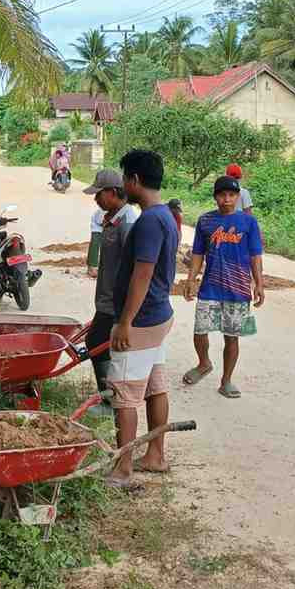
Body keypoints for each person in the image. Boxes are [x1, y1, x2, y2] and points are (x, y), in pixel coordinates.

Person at [105, 149, 179, 488]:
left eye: (124, 178)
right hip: (159, 315)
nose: (122, 185)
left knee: (125, 394)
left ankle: (123, 470)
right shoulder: (166, 215)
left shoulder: (149, 220)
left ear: (134, 180)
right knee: (154, 385)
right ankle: (155, 455)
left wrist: (125, 322)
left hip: (143, 320)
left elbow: (143, 275)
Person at [183, 175, 264, 399]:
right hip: (210, 287)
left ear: (238, 197)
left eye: (231, 195)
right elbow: (198, 253)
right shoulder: (205, 221)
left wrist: (259, 283)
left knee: (231, 336)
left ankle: (226, 380)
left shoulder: (249, 223)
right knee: (200, 330)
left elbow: (255, 255)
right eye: (222, 195)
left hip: (238, 291)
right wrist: (191, 280)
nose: (226, 199)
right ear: (216, 197)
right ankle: (204, 363)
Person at [82, 169, 138, 390]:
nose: (96, 199)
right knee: (99, 343)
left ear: (113, 192)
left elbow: (134, 267)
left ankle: (108, 397)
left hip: (116, 301)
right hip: (106, 299)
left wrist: (126, 312)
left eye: (99, 194)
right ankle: (110, 395)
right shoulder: (113, 218)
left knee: (96, 343)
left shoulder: (127, 222)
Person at [87, 204, 105, 277]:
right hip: (97, 227)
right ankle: (92, 267)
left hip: (105, 227)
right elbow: (100, 221)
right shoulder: (103, 210)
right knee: (95, 245)